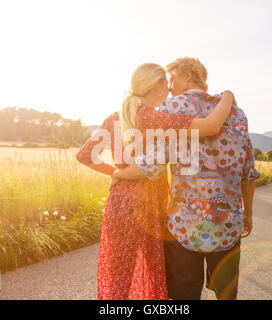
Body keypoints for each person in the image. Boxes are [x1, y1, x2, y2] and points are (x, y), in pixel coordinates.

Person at [75, 62, 235, 300]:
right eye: (167, 85)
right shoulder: (156, 118)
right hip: (150, 207)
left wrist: (118, 174)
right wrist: (228, 96)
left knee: (119, 278)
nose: (170, 91)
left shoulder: (114, 118)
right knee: (153, 276)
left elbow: (84, 155)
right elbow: (212, 126)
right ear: (158, 85)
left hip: (119, 205)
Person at [112, 57, 260, 300]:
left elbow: (153, 163)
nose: (169, 87)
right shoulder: (236, 112)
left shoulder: (172, 107)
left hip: (182, 226)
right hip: (227, 224)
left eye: (172, 79)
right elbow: (248, 172)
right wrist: (248, 213)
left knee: (183, 298)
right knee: (226, 294)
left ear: (188, 75)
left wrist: (119, 174)